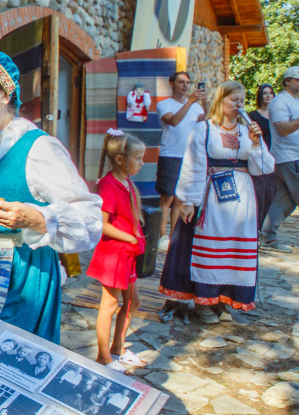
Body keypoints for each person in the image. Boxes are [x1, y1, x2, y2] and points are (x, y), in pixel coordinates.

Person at [0, 51, 101, 342]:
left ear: (5, 93)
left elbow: (90, 220)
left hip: (18, 283)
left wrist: (37, 217)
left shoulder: (37, 149)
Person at [159, 81, 273, 319]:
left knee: (233, 249)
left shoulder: (246, 131)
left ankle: (222, 300)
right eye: (234, 100)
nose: (239, 105)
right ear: (221, 100)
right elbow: (193, 165)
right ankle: (203, 302)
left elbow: (263, 167)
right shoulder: (205, 129)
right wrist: (189, 200)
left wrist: (255, 143)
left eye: (242, 100)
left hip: (242, 199)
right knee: (211, 246)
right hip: (212, 196)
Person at [86, 129, 148, 373]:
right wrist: (130, 237)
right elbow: (102, 225)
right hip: (114, 255)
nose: (142, 163)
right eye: (138, 158)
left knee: (132, 303)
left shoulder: (126, 182)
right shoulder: (108, 186)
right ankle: (104, 358)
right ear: (121, 160)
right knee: (109, 305)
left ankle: (118, 348)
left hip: (127, 255)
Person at [155, 71, 207, 251]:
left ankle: (175, 237)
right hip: (171, 154)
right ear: (171, 84)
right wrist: (191, 101)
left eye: (188, 82)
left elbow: (207, 121)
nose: (185, 85)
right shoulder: (164, 104)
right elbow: (174, 121)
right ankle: (162, 235)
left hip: (190, 156)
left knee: (180, 199)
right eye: (181, 82)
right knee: (167, 197)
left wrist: (205, 102)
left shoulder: (196, 106)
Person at [260, 67, 299, 252]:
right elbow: (283, 129)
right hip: (289, 158)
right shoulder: (280, 102)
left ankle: (267, 238)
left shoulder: (293, 101)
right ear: (287, 81)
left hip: (291, 158)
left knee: (286, 199)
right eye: (297, 80)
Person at [251, 83, 277, 230]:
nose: (267, 96)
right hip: (260, 156)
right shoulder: (253, 116)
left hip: (276, 157)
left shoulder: (278, 116)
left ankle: (267, 226)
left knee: (272, 193)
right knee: (260, 192)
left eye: (270, 93)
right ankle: (257, 225)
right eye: (264, 93)